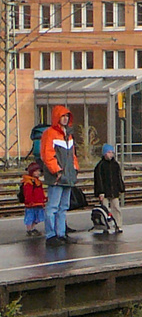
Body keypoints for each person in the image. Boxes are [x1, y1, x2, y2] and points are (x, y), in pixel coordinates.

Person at [39, 105, 79, 246]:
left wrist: (74, 168)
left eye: (67, 116)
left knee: (63, 207)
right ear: (57, 117)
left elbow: (72, 155)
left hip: (67, 176)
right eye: (63, 116)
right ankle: (51, 235)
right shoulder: (49, 133)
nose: (65, 118)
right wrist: (57, 171)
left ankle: (61, 234)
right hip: (57, 177)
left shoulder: (68, 134)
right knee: (53, 207)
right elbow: (47, 155)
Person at [92, 143, 126, 233]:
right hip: (104, 192)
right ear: (104, 153)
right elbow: (98, 180)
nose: (111, 154)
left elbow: (118, 177)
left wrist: (121, 188)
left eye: (112, 152)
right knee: (105, 210)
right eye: (109, 152)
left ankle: (118, 225)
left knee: (116, 208)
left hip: (113, 190)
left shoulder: (115, 165)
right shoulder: (100, 166)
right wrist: (100, 192)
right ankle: (106, 226)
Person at [19, 161, 46, 237]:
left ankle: (32, 228)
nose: (38, 173)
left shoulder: (37, 181)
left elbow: (41, 191)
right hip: (32, 203)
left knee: (37, 216)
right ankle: (29, 229)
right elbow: (28, 193)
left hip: (38, 202)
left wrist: (43, 198)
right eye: (36, 171)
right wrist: (29, 201)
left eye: (39, 171)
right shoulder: (29, 182)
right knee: (30, 216)